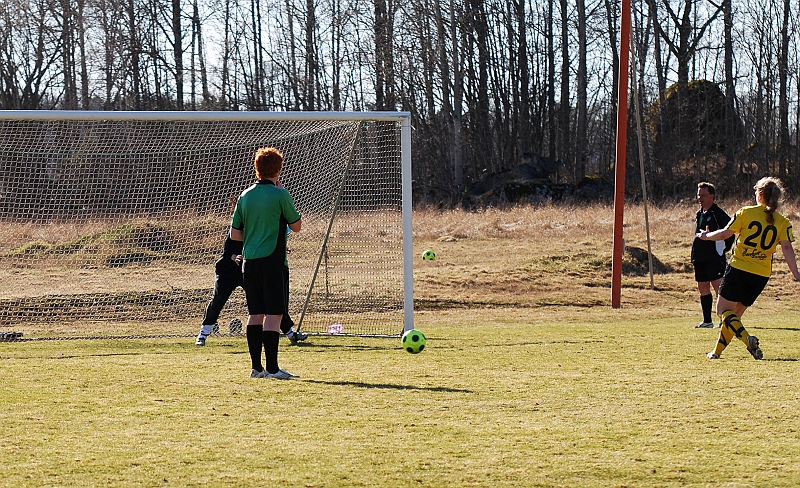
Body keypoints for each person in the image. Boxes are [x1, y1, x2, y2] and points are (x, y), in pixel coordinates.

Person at [697, 177, 800, 360]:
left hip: (739, 269)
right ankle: (717, 352)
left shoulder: (746, 212)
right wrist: (796, 273)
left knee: (722, 311)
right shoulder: (783, 221)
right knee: (734, 317)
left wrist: (706, 236)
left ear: (760, 195)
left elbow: (725, 233)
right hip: (760, 275)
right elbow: (786, 248)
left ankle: (747, 339)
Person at [230, 146, 303, 379]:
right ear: (278, 169)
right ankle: (272, 368)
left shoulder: (245, 195)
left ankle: (256, 368)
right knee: (274, 314)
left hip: (249, 262)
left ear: (257, 168)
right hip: (273, 261)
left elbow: (235, 234)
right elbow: (297, 226)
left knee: (255, 313)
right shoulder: (281, 194)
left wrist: (254, 233)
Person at [194, 234, 307, 346]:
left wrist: (279, 248)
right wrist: (235, 257)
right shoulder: (236, 230)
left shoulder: (259, 232)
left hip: (248, 270)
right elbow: (227, 252)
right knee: (218, 299)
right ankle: (203, 334)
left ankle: (290, 333)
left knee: (267, 301)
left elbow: (266, 245)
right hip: (227, 271)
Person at [691, 182, 734, 328]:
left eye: (703, 195)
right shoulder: (699, 213)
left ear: (712, 196)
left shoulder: (718, 214)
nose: (700, 198)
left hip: (714, 258)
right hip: (700, 257)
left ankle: (726, 320)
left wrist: (722, 249)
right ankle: (707, 321)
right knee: (703, 288)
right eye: (699, 195)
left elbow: (731, 231)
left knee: (719, 289)